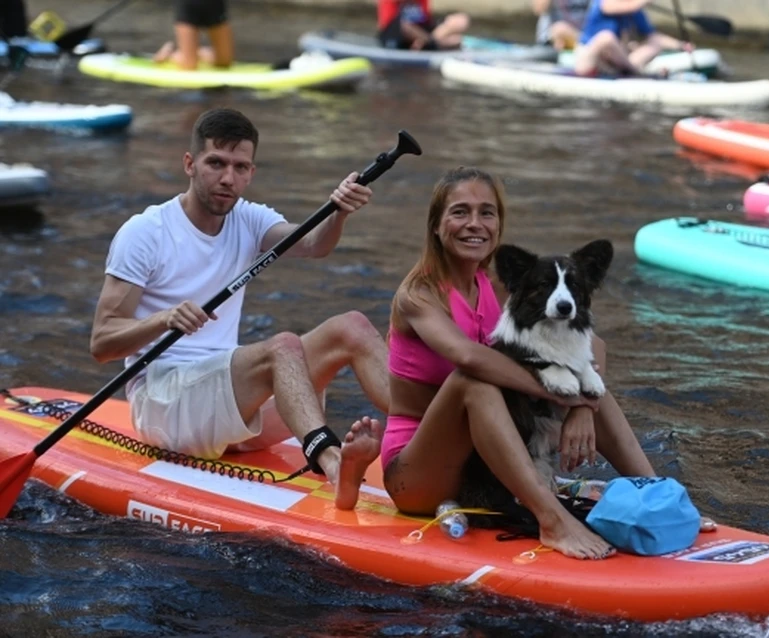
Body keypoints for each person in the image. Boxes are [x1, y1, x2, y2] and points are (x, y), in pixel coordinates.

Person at [381, 166, 712, 560]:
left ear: (499, 224)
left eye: (487, 212)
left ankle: (657, 495)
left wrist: (584, 407)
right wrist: (566, 394)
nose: (475, 224)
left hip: (483, 464)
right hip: (418, 473)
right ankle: (552, 520)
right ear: (436, 225)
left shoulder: (498, 285)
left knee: (590, 383)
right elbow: (467, 357)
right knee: (475, 380)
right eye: (460, 212)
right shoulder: (417, 295)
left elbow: (593, 344)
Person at [89, 108, 387, 511]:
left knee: (351, 327)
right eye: (216, 163)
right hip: (163, 403)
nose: (228, 178)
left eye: (240, 167)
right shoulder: (145, 233)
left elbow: (314, 243)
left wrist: (339, 210)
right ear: (190, 164)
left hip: (223, 407)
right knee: (282, 347)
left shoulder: (249, 218)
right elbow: (102, 344)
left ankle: (437, 440)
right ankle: (333, 465)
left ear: (251, 173)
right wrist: (164, 319)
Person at [573, 0, 694, 77]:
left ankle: (630, 70)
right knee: (606, 38)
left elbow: (654, 36)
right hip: (590, 59)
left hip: (617, 62)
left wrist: (681, 45)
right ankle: (637, 72)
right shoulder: (602, 3)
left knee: (654, 44)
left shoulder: (635, 12)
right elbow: (612, 7)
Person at [153, 0, 234, 69]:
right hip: (188, 5)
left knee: (224, 62)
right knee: (189, 64)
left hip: (214, 5)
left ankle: (195, 52)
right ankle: (169, 56)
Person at [377, 0, 470, 51]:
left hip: (422, 33)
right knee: (405, 25)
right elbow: (388, 24)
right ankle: (432, 43)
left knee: (461, 21)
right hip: (396, 32)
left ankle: (426, 43)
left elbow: (427, 21)